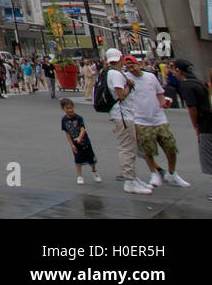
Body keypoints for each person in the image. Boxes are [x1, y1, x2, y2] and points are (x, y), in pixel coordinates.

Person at [124, 54, 190, 189]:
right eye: (128, 67)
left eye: (133, 65)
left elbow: (159, 92)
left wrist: (162, 103)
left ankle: (172, 173)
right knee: (148, 150)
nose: (131, 69)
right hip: (140, 119)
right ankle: (154, 173)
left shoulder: (150, 76)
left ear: (139, 64)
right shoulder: (126, 78)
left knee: (170, 147)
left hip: (159, 118)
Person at [104, 48, 151, 195]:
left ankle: (132, 178)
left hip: (123, 115)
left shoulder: (111, 73)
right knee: (127, 148)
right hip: (123, 115)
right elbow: (121, 95)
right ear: (119, 58)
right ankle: (129, 180)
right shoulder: (116, 74)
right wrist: (129, 85)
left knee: (130, 147)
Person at [172, 59, 212, 202]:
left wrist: (195, 125)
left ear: (179, 71)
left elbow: (192, 108)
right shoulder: (198, 83)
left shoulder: (187, 85)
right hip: (211, 123)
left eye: (174, 69)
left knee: (208, 158)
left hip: (207, 126)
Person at [59, 98, 102, 185]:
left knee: (91, 158)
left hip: (85, 142)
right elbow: (67, 133)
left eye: (71, 107)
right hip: (75, 144)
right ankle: (80, 176)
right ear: (63, 109)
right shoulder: (64, 120)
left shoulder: (78, 118)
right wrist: (71, 144)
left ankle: (94, 171)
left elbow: (83, 130)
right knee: (78, 159)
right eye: (67, 108)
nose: (70, 110)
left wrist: (79, 138)